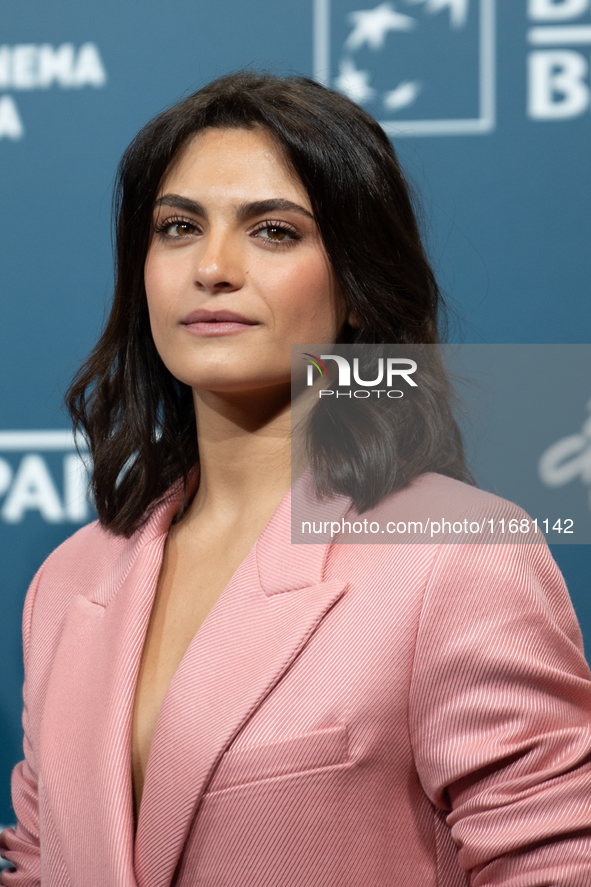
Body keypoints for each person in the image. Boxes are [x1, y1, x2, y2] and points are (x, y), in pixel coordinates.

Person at [2, 71, 591, 887]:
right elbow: (41, 863)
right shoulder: (67, 580)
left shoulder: (458, 555)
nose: (211, 266)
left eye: (272, 231)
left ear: (353, 285)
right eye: (177, 227)